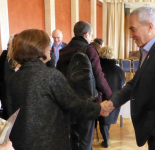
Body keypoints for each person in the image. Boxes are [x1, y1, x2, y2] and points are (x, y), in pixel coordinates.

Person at [5, 29, 111, 150]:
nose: (50, 48)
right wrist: (99, 108)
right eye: (47, 44)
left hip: (19, 143)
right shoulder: (49, 76)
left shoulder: (13, 79)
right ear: (37, 48)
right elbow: (73, 104)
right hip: (50, 143)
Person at [104, 6, 155, 150]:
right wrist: (112, 104)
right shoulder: (150, 50)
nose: (130, 35)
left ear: (149, 26)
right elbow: (134, 83)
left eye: (133, 29)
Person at [57, 21, 112, 150]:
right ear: (86, 34)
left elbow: (58, 76)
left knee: (74, 138)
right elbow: (99, 76)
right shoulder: (89, 50)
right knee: (86, 141)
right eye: (91, 35)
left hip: (68, 101)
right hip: (88, 101)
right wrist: (110, 96)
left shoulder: (63, 51)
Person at [98, 46, 126, 148]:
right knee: (108, 118)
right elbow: (123, 82)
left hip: (100, 97)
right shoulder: (118, 69)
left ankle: (106, 139)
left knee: (102, 119)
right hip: (114, 98)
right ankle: (106, 137)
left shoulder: (98, 68)